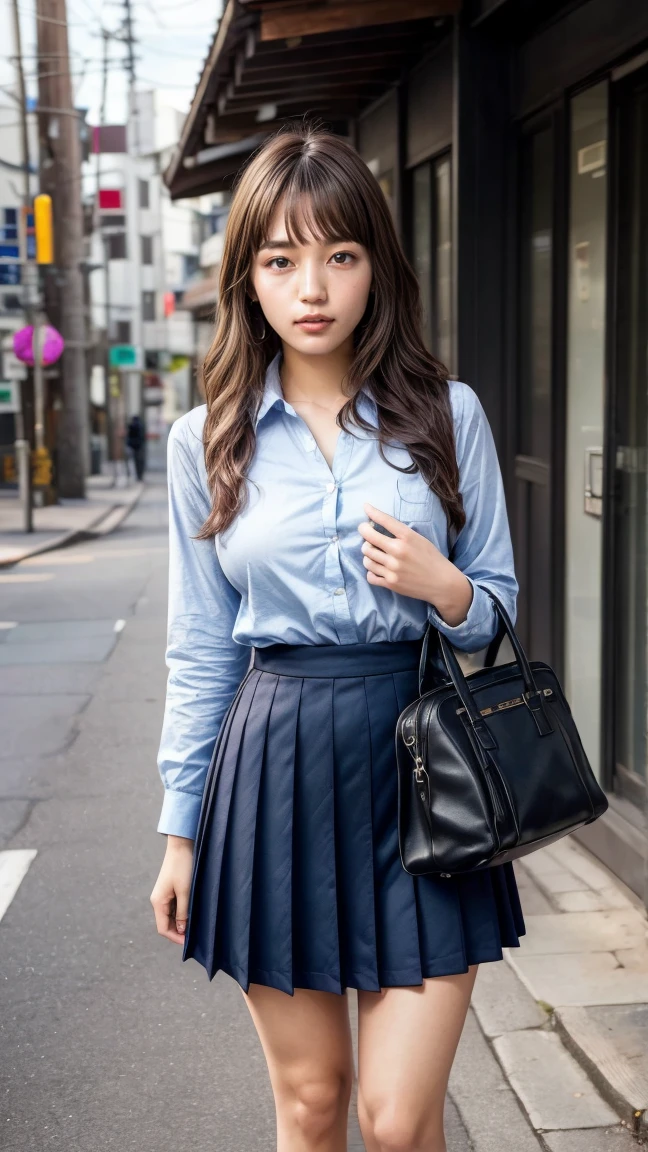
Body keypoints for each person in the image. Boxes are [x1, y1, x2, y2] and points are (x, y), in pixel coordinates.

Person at [150, 124, 525, 1152]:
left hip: (427, 770)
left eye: (340, 255)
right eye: (281, 260)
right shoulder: (207, 441)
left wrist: (445, 587)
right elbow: (202, 646)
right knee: (313, 1110)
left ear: (376, 269)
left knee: (399, 1122)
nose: (312, 286)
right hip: (275, 768)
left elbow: (497, 607)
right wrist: (181, 832)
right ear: (250, 280)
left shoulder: (447, 417)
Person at [125, 413, 146, 481]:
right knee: (139, 462)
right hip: (139, 447)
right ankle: (139, 476)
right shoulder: (140, 426)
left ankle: (136, 476)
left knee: (134, 462)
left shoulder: (132, 426)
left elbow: (129, 437)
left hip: (134, 447)